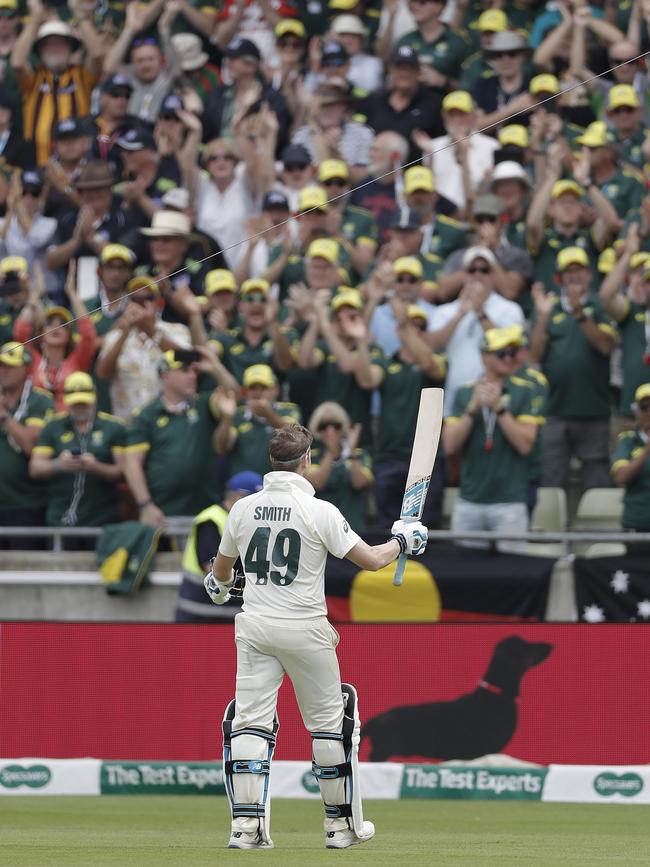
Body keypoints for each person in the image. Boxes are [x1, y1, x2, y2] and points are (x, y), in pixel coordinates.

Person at [204, 422, 428, 849]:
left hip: (254, 625)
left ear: (272, 461)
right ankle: (339, 827)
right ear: (306, 461)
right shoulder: (320, 510)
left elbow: (220, 574)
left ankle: (245, 829)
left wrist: (217, 587)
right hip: (305, 628)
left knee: (250, 723)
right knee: (329, 727)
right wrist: (404, 541)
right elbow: (373, 560)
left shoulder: (242, 509)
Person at [442, 326, 543, 553]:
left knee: (513, 573)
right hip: (470, 498)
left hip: (510, 500)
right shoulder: (464, 393)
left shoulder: (526, 390)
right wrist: (472, 409)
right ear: (484, 356)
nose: (508, 358)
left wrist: (500, 409)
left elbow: (525, 444)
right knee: (467, 572)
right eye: (501, 354)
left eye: (511, 352)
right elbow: (450, 445)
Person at [529, 247, 618, 492]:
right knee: (551, 479)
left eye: (579, 270)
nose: (574, 277)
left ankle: (598, 532)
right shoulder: (550, 307)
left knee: (597, 481)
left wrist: (579, 312)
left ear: (589, 274)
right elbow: (534, 355)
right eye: (568, 272)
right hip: (555, 410)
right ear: (559, 278)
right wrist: (542, 317)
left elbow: (605, 346)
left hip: (594, 410)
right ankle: (551, 530)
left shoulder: (601, 305)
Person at [123, 348, 224, 525]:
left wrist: (215, 367)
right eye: (184, 370)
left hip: (205, 509)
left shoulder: (204, 404)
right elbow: (132, 462)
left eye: (194, 370)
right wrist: (146, 505)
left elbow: (235, 395)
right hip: (163, 512)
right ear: (165, 375)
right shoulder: (146, 415)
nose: (192, 376)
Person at [428, 245, 524, 415]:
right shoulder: (445, 311)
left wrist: (480, 312)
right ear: (464, 274)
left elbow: (508, 349)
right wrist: (459, 314)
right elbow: (433, 346)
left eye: (484, 270)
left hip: (499, 400)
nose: (478, 274)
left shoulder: (510, 309)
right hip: (455, 401)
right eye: (472, 270)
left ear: (494, 274)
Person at [29, 372, 125, 531]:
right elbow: (35, 468)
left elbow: (122, 472)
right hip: (59, 517)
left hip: (101, 518)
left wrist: (95, 467)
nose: (80, 406)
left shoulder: (113, 427)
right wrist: (58, 465)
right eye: (75, 403)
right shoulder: (53, 426)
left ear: (94, 395)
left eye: (84, 402)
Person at [11, 10, 102, 165]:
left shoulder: (81, 76)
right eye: (48, 44)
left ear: (70, 48)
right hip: (37, 165)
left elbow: (98, 55)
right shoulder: (34, 78)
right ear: (39, 51)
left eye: (61, 43)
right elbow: (17, 63)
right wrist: (34, 21)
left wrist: (82, 17)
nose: (55, 48)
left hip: (79, 166)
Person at [175, 470, 263, 623]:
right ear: (238, 497)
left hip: (228, 613)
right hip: (200, 614)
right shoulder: (211, 520)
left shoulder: (247, 522)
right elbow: (212, 568)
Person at [0, 340, 54, 541]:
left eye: (10, 366)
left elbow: (30, 446)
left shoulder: (39, 400)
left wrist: (3, 414)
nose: (3, 371)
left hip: (26, 504)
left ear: (26, 368)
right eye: (1, 365)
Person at [213, 363, 301, 477]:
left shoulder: (288, 410)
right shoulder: (237, 414)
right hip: (243, 488)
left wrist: (268, 415)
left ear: (275, 390)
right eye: (252, 388)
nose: (258, 393)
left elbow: (295, 435)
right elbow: (221, 447)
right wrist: (227, 418)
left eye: (264, 388)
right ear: (244, 392)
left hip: (277, 485)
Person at [306, 401, 372, 532]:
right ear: (317, 429)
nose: (330, 430)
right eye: (323, 426)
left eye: (336, 426)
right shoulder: (310, 456)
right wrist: (331, 451)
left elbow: (359, 483)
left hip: (354, 530)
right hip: (321, 529)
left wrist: (351, 451)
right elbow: (318, 483)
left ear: (344, 428)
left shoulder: (360, 455)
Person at [612, 384, 650, 539]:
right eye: (644, 406)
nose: (649, 412)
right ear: (636, 411)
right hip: (637, 522)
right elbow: (621, 478)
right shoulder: (627, 440)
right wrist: (647, 449)